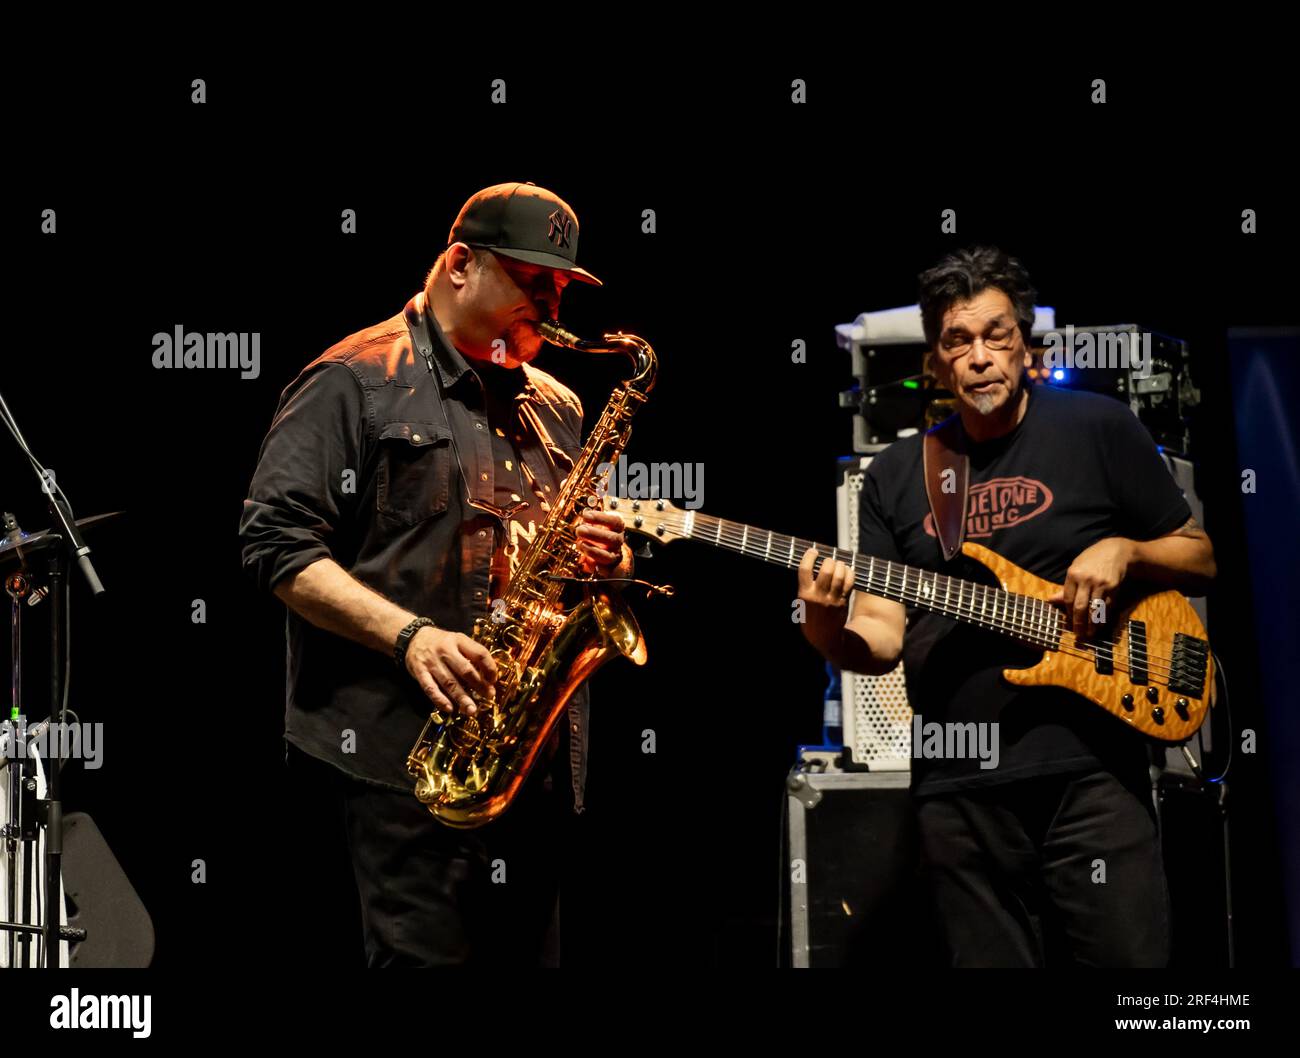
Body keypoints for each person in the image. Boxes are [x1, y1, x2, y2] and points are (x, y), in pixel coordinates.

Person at [239, 182, 631, 966]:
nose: (553, 307)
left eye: (562, 287)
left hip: (527, 766)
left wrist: (606, 562)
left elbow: (565, 569)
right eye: (534, 282)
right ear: (459, 264)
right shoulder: (352, 380)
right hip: (402, 764)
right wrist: (409, 635)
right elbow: (275, 547)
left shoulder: (557, 406)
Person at [797, 246, 1215, 967]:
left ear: (1027, 347)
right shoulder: (898, 476)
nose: (981, 357)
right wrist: (824, 622)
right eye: (960, 341)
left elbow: (1200, 556)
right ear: (936, 362)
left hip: (1093, 777)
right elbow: (880, 640)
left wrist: (1126, 550)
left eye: (997, 336)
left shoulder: (1098, 427)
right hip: (958, 794)